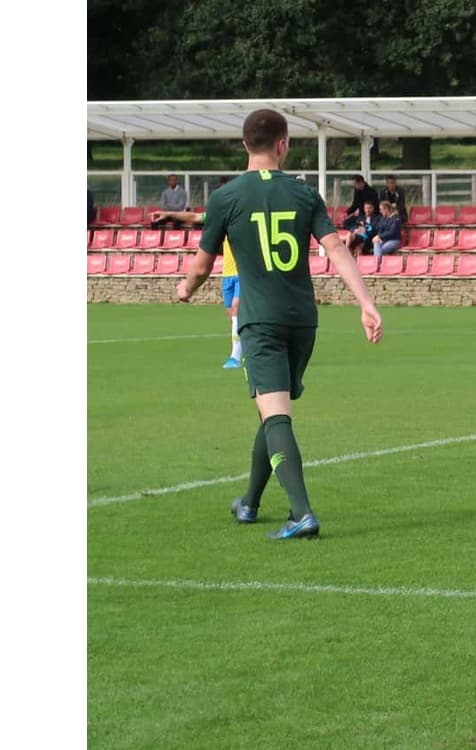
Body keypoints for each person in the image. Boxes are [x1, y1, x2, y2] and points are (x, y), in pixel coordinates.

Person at [176, 108, 382, 540]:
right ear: (283, 144)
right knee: (272, 408)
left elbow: (201, 265)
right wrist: (366, 303)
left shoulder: (226, 197)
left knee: (275, 415)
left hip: (261, 322)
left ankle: (302, 513)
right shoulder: (305, 195)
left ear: (245, 145)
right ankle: (249, 502)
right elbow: (337, 250)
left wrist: (185, 290)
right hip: (303, 321)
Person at [149, 206, 244, 368]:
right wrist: (168, 214)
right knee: (234, 318)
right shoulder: (221, 214)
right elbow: (194, 217)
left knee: (236, 309)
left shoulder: (248, 214)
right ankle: (248, 352)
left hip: (245, 272)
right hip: (228, 274)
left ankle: (235, 357)